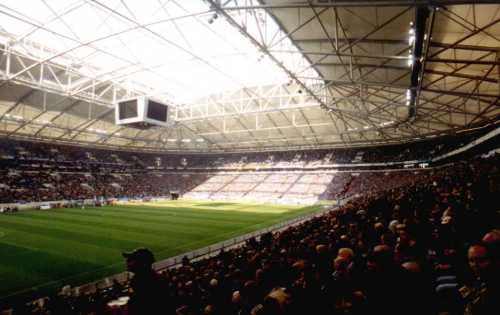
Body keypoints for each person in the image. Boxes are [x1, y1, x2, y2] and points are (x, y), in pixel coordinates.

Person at [122, 248, 169, 314]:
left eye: (131, 260)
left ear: (142, 263)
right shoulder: (145, 278)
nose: (127, 261)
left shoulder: (143, 282)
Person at [460, 242, 500, 315]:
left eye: (481, 260)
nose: (475, 265)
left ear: (492, 260)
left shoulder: (495, 286)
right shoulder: (475, 277)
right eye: (471, 260)